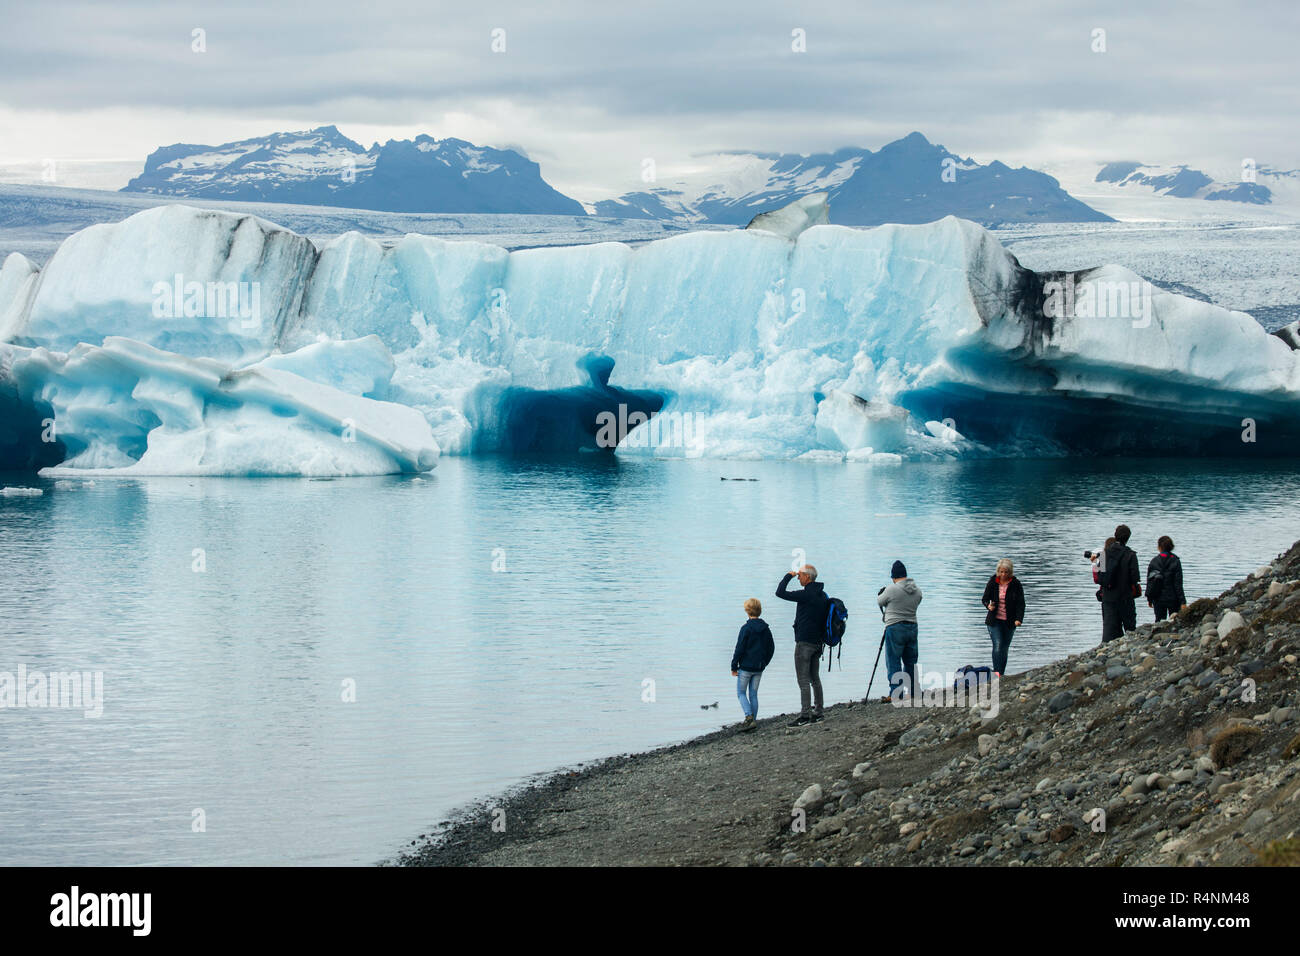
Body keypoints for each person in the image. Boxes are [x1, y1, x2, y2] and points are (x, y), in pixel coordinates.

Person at [776, 565, 829, 726]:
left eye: (800, 576)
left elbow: (780, 593)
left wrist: (788, 575)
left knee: (803, 680)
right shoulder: (822, 595)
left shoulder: (806, 594)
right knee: (815, 679)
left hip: (804, 642)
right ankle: (818, 713)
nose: (798, 578)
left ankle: (805, 716)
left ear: (807, 577)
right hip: (818, 643)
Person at [877, 560, 922, 699]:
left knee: (893, 661)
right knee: (910, 661)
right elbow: (918, 601)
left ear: (894, 576)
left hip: (895, 627)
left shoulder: (891, 589)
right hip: (912, 627)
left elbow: (879, 601)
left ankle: (897, 693)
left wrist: (883, 592)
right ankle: (914, 691)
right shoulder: (917, 591)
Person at [730, 598, 775, 731]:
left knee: (741, 693)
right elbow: (771, 647)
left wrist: (734, 666)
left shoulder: (746, 628)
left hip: (745, 667)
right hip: (759, 667)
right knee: (754, 694)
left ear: (747, 611)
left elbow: (739, 648)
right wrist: (765, 662)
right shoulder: (766, 629)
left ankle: (749, 717)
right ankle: (753, 720)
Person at [981, 558, 1024, 675]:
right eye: (1001, 572)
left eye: (1006, 572)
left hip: (1009, 621)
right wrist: (988, 606)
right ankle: (996, 673)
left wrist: (1019, 619)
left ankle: (1001, 673)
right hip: (994, 621)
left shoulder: (1016, 584)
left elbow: (1021, 604)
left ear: (1010, 572)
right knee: (998, 645)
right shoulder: (992, 581)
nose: (1003, 574)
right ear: (998, 571)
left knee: (1004, 648)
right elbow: (984, 599)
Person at [1100, 524, 1140, 642]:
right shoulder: (1131, 555)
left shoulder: (1103, 554)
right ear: (1128, 538)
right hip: (1125, 596)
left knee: (1109, 629)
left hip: (1108, 597)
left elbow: (1100, 577)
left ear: (1115, 535)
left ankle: (1105, 649)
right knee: (1130, 629)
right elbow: (1135, 577)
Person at [1147, 536, 1187, 621]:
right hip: (1173, 597)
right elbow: (1178, 584)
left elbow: (1150, 581)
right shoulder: (1175, 560)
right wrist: (1183, 601)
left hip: (1157, 597)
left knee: (1159, 621)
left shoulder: (1154, 561)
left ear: (1159, 547)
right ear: (1171, 546)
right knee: (1174, 620)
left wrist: (1149, 598)